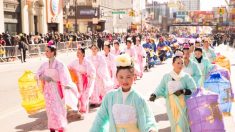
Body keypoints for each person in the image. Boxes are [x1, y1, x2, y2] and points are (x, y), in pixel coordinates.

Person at [90, 54, 158, 132]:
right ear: (116, 77)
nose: (124, 81)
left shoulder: (138, 98)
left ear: (134, 77)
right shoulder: (109, 97)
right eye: (121, 77)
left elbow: (148, 116)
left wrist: (151, 129)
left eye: (128, 77)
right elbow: (100, 119)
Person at [36, 44, 79, 132]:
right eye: (45, 51)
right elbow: (37, 74)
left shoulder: (60, 64)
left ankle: (60, 127)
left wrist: (67, 85)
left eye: (47, 51)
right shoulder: (44, 64)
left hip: (57, 90)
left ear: (53, 52)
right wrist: (43, 77)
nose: (45, 53)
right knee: (50, 110)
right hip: (48, 91)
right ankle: (52, 127)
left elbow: (66, 78)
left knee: (58, 110)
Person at [149, 55, 196, 132]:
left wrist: (183, 91)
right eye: (178, 63)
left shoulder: (186, 77)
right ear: (173, 64)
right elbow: (161, 88)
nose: (180, 65)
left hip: (183, 105)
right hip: (171, 105)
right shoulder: (167, 77)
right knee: (174, 125)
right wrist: (154, 95)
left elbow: (193, 89)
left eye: (182, 63)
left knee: (182, 124)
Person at [68, 48, 96, 116]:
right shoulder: (75, 61)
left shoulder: (87, 62)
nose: (77, 54)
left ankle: (83, 110)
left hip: (85, 81)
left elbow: (92, 71)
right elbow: (68, 67)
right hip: (77, 81)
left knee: (84, 96)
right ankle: (80, 108)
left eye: (79, 53)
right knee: (79, 95)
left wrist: (87, 75)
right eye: (77, 53)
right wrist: (73, 72)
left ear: (83, 54)